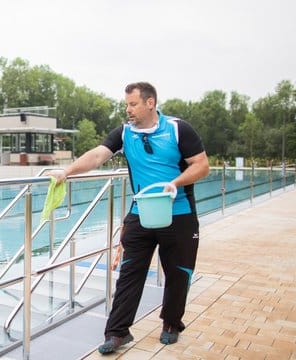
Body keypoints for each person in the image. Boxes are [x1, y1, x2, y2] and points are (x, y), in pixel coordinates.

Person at [50, 82, 209, 354]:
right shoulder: (124, 134)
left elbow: (202, 165)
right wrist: (67, 172)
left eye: (132, 104)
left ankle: (171, 323)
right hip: (141, 214)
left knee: (178, 273)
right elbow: (98, 155)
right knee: (129, 273)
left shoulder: (178, 129)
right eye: (126, 104)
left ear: (150, 103)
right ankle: (117, 332)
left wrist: (175, 183)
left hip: (179, 213)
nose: (128, 110)